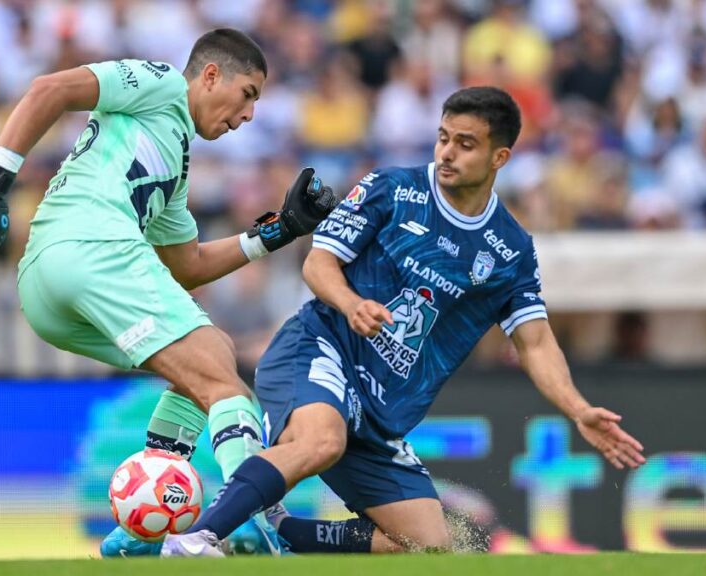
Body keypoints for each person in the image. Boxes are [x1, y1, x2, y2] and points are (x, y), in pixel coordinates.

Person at [162, 87, 646, 557]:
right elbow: (318, 263)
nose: (448, 152)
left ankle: (278, 531)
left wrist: (578, 408)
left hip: (380, 410)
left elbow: (536, 342)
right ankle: (194, 540)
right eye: (443, 137)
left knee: (427, 545)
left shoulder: (510, 250)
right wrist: (352, 304)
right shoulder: (394, 188)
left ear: (500, 157)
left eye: (465, 143)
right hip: (321, 347)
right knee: (321, 440)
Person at [0, 28, 338, 556]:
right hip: (93, 245)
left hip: (47, 285)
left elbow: (187, 265)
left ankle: (138, 532)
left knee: (206, 363)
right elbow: (51, 89)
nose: (248, 115)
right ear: (209, 75)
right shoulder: (160, 83)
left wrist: (278, 231)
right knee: (225, 385)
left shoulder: (173, 163)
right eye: (248, 94)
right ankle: (249, 518)